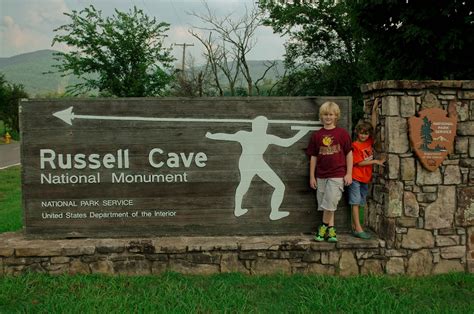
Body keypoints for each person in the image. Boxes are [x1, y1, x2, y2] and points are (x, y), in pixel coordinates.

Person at [206, 116, 312, 221]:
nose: (261, 128)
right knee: (244, 184)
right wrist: (211, 135)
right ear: (253, 126)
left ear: (265, 127)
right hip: (246, 162)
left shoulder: (267, 137)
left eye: (263, 126)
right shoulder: (244, 135)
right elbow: (226, 136)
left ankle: (274, 213)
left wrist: (302, 133)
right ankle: (238, 209)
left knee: (280, 186)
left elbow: (287, 143)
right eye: (258, 125)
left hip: (258, 162)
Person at [307, 101, 353, 242]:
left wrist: (349, 173)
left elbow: (349, 154)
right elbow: (313, 157)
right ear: (321, 116)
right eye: (325, 114)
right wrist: (312, 176)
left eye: (331, 114)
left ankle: (322, 228)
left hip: (337, 174)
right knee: (327, 204)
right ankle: (331, 230)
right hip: (321, 175)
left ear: (336, 116)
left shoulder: (342, 133)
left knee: (331, 201)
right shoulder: (317, 135)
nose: (328, 117)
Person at [348, 99, 385, 239]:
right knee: (355, 202)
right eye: (361, 133)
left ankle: (357, 226)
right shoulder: (355, 145)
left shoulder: (369, 141)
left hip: (365, 178)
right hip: (355, 177)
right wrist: (375, 161)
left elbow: (374, 125)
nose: (363, 135)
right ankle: (358, 228)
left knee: (362, 202)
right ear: (357, 133)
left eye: (366, 133)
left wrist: (374, 109)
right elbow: (358, 163)